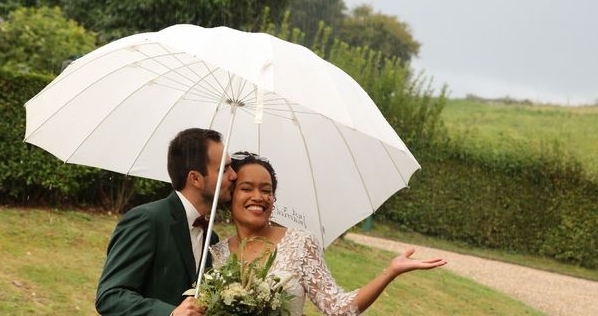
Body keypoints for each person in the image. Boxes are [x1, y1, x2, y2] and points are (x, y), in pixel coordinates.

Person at [210, 153, 447, 316]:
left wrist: (390, 272)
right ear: (230, 195)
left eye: (267, 190)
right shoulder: (216, 253)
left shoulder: (299, 243)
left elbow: (338, 309)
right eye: (246, 188)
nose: (259, 197)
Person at [96, 128, 237, 316]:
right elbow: (110, 296)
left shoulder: (211, 237)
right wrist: (170, 313)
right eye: (224, 169)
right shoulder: (147, 220)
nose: (234, 175)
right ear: (195, 178)